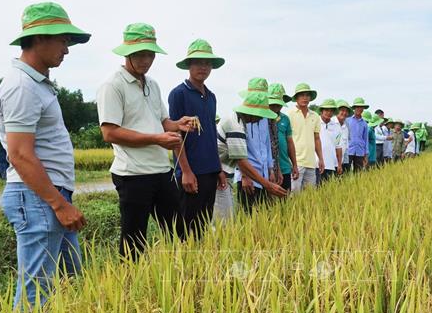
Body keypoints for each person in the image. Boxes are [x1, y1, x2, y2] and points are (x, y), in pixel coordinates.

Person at [0, 2, 90, 309]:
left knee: (72, 276)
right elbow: (20, 155)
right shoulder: (21, 86)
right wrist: (59, 204)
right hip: (38, 198)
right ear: (39, 39)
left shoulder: (38, 84)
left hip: (46, 195)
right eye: (63, 40)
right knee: (37, 289)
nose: (67, 49)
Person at [97, 23, 193, 260]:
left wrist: (177, 124)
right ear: (126, 53)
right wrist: (156, 139)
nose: (146, 60)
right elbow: (109, 133)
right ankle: (130, 289)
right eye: (140, 54)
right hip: (133, 174)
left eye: (150, 54)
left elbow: (162, 122)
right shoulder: (113, 86)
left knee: (179, 233)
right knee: (134, 241)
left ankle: (179, 279)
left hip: (161, 170)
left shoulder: (152, 84)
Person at [168, 38, 226, 239]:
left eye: (207, 63)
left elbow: (211, 134)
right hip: (191, 172)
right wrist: (185, 171)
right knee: (186, 227)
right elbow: (176, 135)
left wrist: (218, 169)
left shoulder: (211, 96)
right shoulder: (179, 94)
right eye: (198, 62)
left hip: (210, 170)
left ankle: (201, 265)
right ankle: (183, 266)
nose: (203, 67)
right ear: (189, 65)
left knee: (203, 224)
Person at [234, 85, 288, 212]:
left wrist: (270, 170)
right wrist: (244, 176)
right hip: (248, 176)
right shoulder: (239, 119)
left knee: (263, 214)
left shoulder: (264, 118)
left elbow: (267, 146)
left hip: (263, 175)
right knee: (247, 214)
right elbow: (238, 154)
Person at [288, 83, 325, 192]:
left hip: (311, 162)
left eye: (307, 95)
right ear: (297, 98)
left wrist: (321, 159)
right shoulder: (289, 114)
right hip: (296, 162)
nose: (305, 98)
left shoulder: (315, 116)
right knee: (294, 195)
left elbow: (317, 138)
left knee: (309, 196)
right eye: (302, 95)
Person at [268, 83, 298, 191]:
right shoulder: (262, 119)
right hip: (269, 168)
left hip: (285, 167)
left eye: (279, 104)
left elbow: (289, 142)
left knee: (285, 202)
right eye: (273, 104)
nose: (276, 107)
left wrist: (294, 164)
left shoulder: (285, 119)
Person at [317, 98, 343, 181]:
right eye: (326, 110)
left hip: (331, 164)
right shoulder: (315, 122)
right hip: (316, 164)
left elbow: (338, 146)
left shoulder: (336, 126)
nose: (329, 113)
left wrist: (339, 164)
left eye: (331, 111)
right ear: (321, 110)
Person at [346, 97, 370, 171]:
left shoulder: (364, 124)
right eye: (358, 107)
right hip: (348, 150)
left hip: (360, 151)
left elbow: (366, 139)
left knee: (358, 173)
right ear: (354, 108)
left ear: (363, 109)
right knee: (345, 172)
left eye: (361, 107)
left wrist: (366, 153)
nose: (359, 109)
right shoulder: (347, 120)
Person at [334, 99, 352, 173]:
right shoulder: (331, 124)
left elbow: (345, 145)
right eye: (342, 110)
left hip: (341, 162)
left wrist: (344, 163)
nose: (344, 113)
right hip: (331, 163)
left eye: (346, 111)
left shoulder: (346, 127)